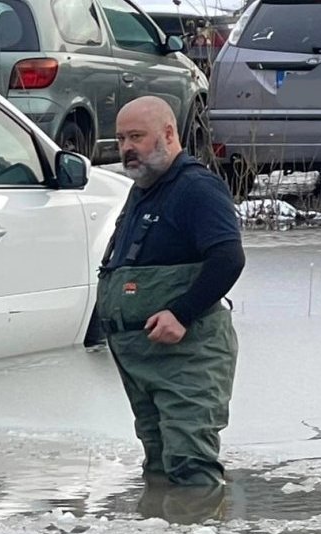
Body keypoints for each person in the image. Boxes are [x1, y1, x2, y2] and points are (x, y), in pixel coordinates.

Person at [96, 96, 245, 486]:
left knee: (190, 463)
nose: (127, 148)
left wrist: (182, 312)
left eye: (137, 137)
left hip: (187, 356)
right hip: (142, 358)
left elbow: (229, 258)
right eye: (121, 139)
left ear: (168, 134)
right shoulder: (145, 187)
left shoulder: (196, 187)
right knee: (160, 462)